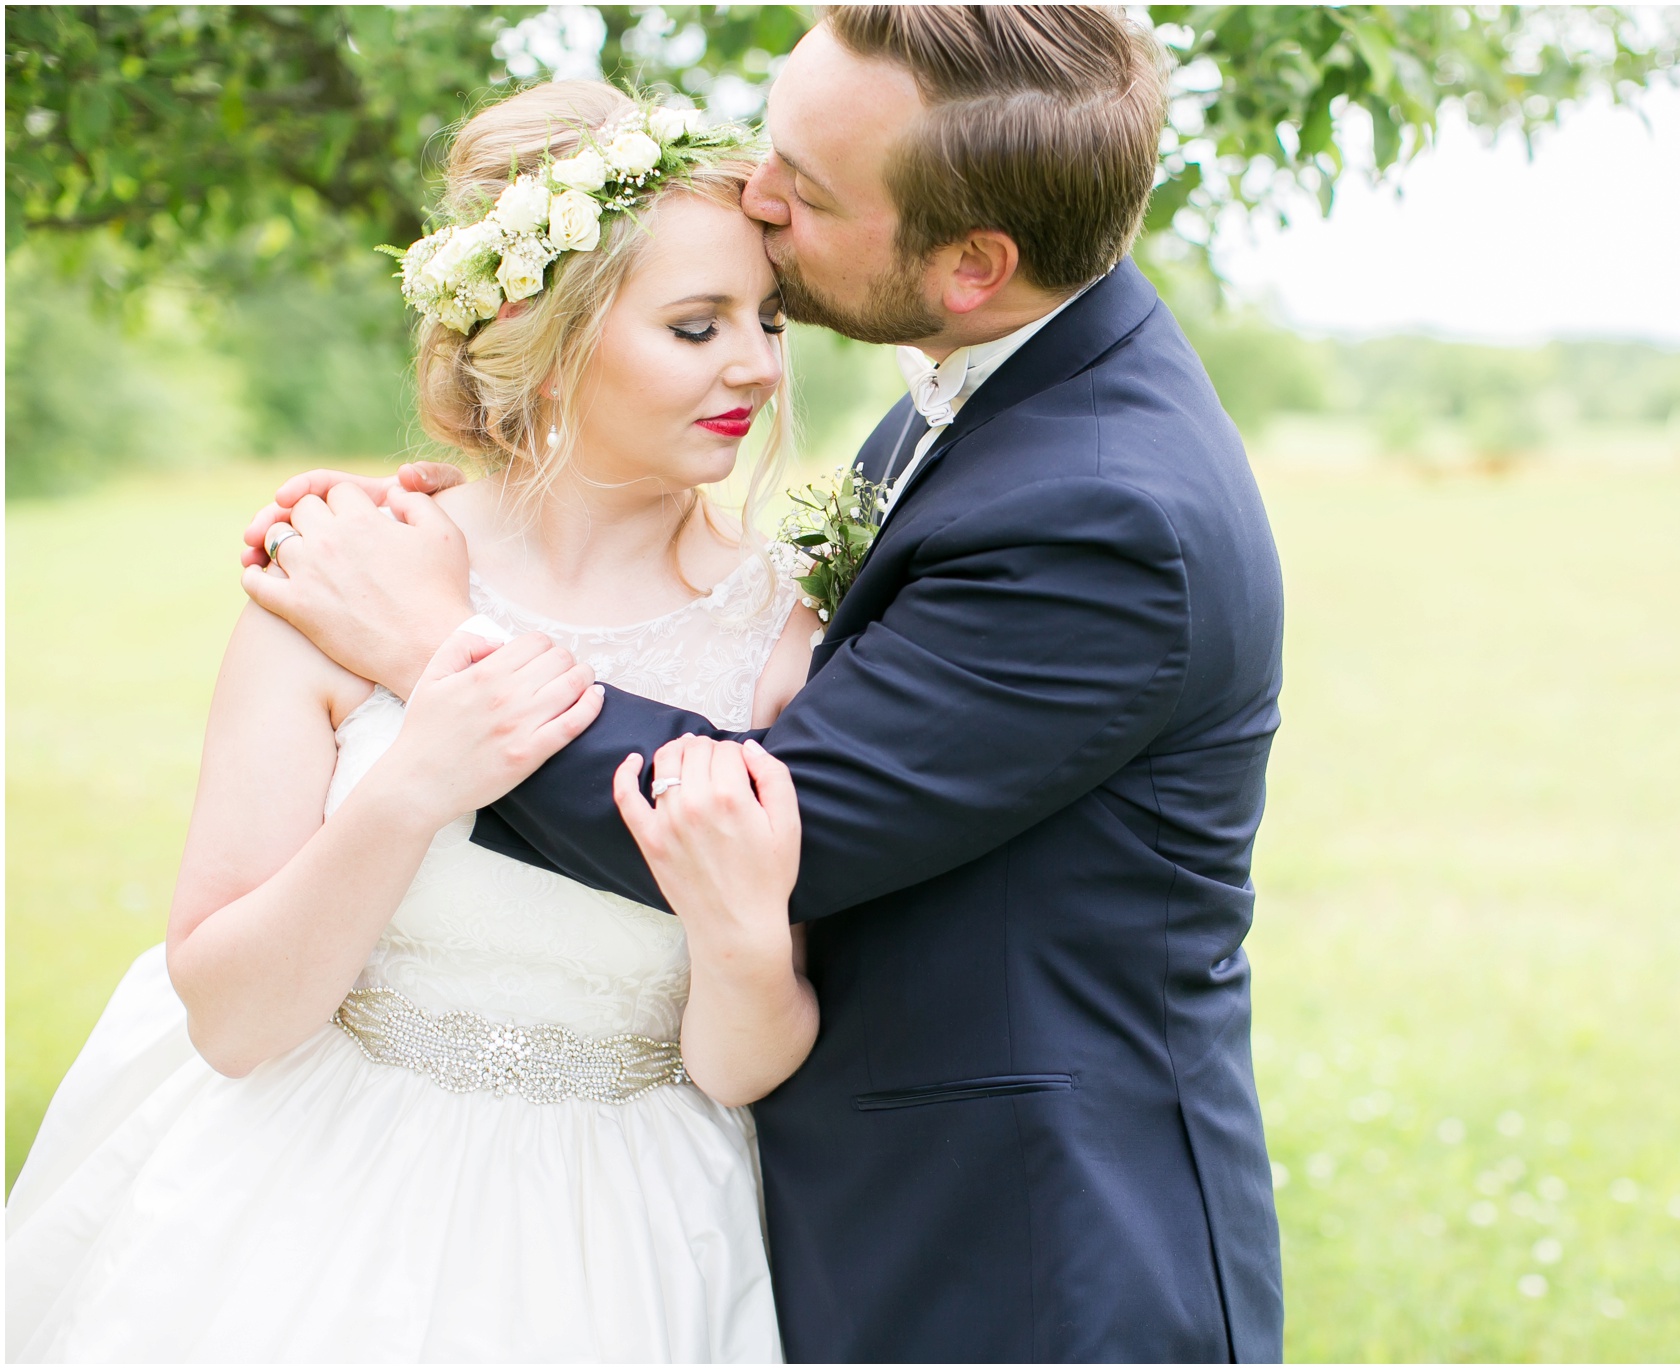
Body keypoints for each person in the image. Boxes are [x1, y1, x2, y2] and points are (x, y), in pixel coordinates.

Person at [243, 5, 1287, 1362]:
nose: (756, 191)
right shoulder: (977, 393)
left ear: (974, 263)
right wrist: (495, 550)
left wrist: (435, 646)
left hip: (1029, 1253)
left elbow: (769, 827)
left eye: (807, 184)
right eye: (771, 139)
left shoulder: (1107, 512)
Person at [7, 82, 821, 1361]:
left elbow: (741, 1065)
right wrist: (413, 784)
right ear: (540, 327)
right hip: (303, 1204)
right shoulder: (340, 575)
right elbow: (227, 1016)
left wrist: (738, 936)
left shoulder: (779, 645)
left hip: (622, 1240)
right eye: (695, 324)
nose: (756, 365)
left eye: (768, 320)